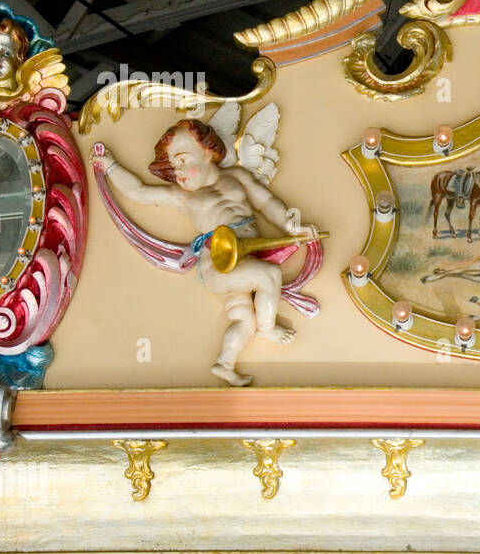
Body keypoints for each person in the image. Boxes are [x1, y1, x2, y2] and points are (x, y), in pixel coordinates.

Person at [94, 119, 318, 387]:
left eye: (183, 160)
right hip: (218, 265)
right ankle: (267, 327)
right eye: (174, 166)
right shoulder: (183, 197)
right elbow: (139, 192)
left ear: (208, 152)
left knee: (243, 318)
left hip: (249, 255)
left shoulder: (237, 177)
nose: (178, 171)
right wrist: (110, 166)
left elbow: (267, 202)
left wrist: (291, 224)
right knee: (268, 275)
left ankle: (225, 363)